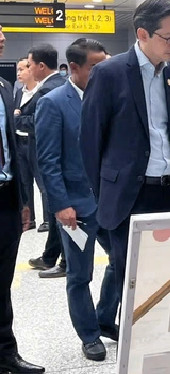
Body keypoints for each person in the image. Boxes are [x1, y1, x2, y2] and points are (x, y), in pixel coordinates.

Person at [81, 0, 170, 301]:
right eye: (168, 37)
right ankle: (131, 343)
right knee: (131, 277)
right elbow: (90, 142)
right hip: (128, 195)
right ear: (143, 34)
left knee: (169, 274)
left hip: (167, 191)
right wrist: (103, 194)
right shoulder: (109, 73)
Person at [35, 39, 119, 362]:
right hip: (76, 206)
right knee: (80, 275)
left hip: (110, 202)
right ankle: (89, 334)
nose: (103, 72)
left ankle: (104, 316)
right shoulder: (53, 103)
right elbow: (48, 161)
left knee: (121, 261)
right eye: (96, 67)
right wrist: (60, 205)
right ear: (75, 68)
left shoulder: (110, 99)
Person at [0, 24, 45, 374]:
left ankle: (5, 354)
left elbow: (11, 147)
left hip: (5, 198)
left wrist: (23, 199)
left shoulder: (4, 88)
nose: (2, 39)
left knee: (2, 282)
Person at [24, 44, 68, 278]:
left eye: (29, 65)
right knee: (54, 209)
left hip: (52, 158)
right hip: (57, 157)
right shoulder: (60, 84)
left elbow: (36, 123)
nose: (27, 70)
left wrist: (17, 118)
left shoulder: (47, 91)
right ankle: (52, 256)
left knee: (57, 208)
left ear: (41, 66)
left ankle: (63, 260)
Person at [13, 58, 38, 231]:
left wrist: (17, 118)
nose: (18, 73)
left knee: (42, 182)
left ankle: (48, 221)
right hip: (19, 143)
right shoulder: (19, 93)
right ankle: (31, 219)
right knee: (24, 182)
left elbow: (37, 121)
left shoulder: (41, 92)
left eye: (22, 69)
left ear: (31, 69)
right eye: (17, 70)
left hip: (34, 141)